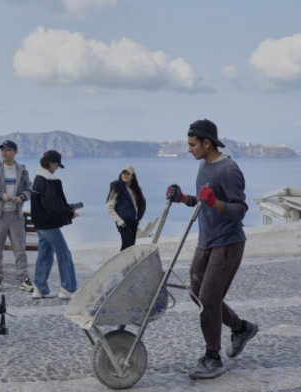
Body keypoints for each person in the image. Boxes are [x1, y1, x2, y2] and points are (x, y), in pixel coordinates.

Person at [166, 119, 258, 379]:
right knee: (198, 296)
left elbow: (239, 210)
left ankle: (213, 357)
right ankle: (241, 329)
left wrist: (216, 203)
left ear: (207, 143)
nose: (189, 149)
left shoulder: (229, 169)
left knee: (208, 300)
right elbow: (203, 201)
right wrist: (183, 198)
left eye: (192, 144)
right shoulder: (205, 166)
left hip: (228, 244)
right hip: (205, 242)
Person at [0, 140, 34, 293]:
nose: (4, 152)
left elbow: (30, 189)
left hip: (16, 215)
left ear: (15, 152)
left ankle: (24, 278)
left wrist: (22, 197)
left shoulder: (22, 171)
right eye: (2, 149)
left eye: (8, 150)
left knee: (20, 249)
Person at [29, 150, 78, 300]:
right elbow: (52, 207)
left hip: (40, 224)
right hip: (49, 225)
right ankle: (68, 289)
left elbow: (48, 204)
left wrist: (66, 207)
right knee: (64, 254)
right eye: (56, 165)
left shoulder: (38, 179)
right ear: (51, 163)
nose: (57, 168)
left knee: (45, 254)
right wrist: (69, 213)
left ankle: (40, 289)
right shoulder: (47, 180)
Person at [106, 165, 146, 251]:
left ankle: (128, 263)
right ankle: (122, 263)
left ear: (132, 176)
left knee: (130, 246)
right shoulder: (117, 188)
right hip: (123, 223)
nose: (125, 175)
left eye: (128, 174)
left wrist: (138, 218)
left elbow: (141, 204)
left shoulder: (135, 190)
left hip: (133, 222)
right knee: (127, 245)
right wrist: (119, 221)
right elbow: (109, 207)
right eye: (124, 173)